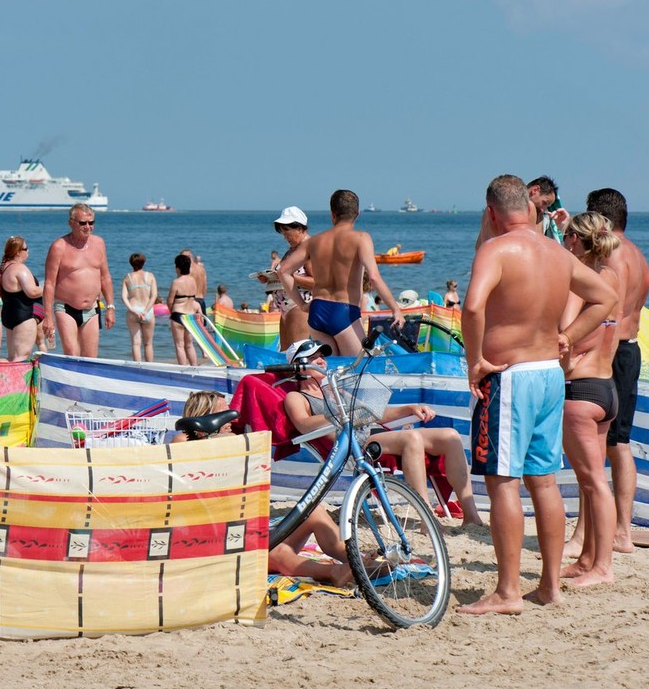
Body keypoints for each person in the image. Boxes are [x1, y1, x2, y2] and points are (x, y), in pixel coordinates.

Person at [459, 175, 616, 616]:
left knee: (503, 482)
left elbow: (471, 306)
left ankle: (508, 591)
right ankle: (549, 585)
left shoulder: (496, 249)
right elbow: (605, 297)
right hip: (549, 373)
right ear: (529, 209)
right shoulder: (555, 251)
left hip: (509, 375)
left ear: (491, 212)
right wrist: (569, 335)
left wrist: (475, 361)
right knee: (544, 481)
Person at [282, 339, 484, 526]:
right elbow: (304, 425)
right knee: (411, 437)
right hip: (355, 445)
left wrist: (408, 408)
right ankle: (427, 520)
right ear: (299, 366)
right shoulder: (296, 397)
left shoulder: (335, 391)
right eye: (314, 358)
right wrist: (344, 415)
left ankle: (471, 516)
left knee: (450, 436)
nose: (322, 361)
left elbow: (372, 414)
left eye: (323, 357)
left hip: (376, 434)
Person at [170, 390, 355, 586]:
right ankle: (333, 572)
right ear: (204, 418)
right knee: (280, 553)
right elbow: (184, 450)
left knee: (314, 512)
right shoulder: (184, 441)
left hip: (247, 533)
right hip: (214, 544)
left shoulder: (231, 442)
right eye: (224, 413)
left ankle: (356, 563)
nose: (232, 417)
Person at [570, 188, 649, 558]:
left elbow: (605, 314)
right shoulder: (640, 257)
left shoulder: (611, 257)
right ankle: (622, 530)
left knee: (597, 447)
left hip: (608, 354)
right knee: (619, 444)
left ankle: (586, 535)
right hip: (629, 351)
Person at [558, 211, 624, 588]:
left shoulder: (578, 284)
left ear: (577, 242)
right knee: (594, 482)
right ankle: (588, 559)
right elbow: (605, 334)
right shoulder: (611, 277)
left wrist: (566, 358)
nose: (565, 243)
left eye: (568, 237)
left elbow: (562, 335)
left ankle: (603, 566)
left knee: (594, 482)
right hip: (606, 387)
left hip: (581, 392)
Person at [278, 191, 403, 356]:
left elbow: (283, 271)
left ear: (332, 214)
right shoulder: (361, 238)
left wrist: (301, 304)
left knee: (328, 371)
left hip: (317, 311)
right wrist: (395, 309)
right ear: (357, 214)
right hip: (344, 312)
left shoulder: (314, 241)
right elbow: (373, 277)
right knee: (359, 368)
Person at [41, 204, 115, 358]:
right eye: (83, 223)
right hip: (66, 308)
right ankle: (68, 382)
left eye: (91, 223)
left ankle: (86, 383)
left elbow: (105, 277)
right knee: (72, 354)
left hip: (92, 309)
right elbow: (49, 284)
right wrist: (48, 317)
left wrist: (110, 307)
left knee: (90, 358)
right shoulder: (59, 247)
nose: (88, 227)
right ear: (71, 222)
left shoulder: (99, 243)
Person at [265, 206, 314, 350]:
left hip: (300, 304)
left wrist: (289, 276)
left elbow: (317, 282)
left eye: (287, 231)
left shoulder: (308, 249)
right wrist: (270, 278)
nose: (284, 236)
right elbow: (286, 276)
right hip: (286, 306)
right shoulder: (293, 250)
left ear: (299, 228)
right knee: (286, 353)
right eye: (282, 231)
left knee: (297, 353)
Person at [0, 236, 42, 363]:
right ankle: (15, 382)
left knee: (11, 357)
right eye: (26, 249)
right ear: (18, 252)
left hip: (9, 316)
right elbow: (32, 292)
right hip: (24, 315)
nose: (28, 251)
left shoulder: (2, 269)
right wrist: (50, 287)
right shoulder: (19, 268)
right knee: (21, 357)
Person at [121, 252, 158, 363]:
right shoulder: (150, 276)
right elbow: (154, 296)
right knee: (148, 343)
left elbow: (124, 297)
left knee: (136, 343)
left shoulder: (127, 277)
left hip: (133, 310)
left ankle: (138, 369)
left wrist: (133, 310)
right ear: (143, 262)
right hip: (147, 311)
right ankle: (150, 368)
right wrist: (145, 311)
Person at [166, 253, 200, 366]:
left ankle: (183, 370)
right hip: (190, 315)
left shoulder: (176, 282)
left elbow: (170, 301)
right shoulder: (193, 281)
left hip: (178, 315)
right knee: (189, 345)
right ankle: (195, 368)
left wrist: (172, 313)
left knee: (179, 345)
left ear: (177, 268)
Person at [528, 175, 570, 244]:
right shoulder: (509, 211)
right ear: (534, 190)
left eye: (547, 207)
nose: (543, 210)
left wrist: (562, 227)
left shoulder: (545, 219)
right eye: (544, 203)